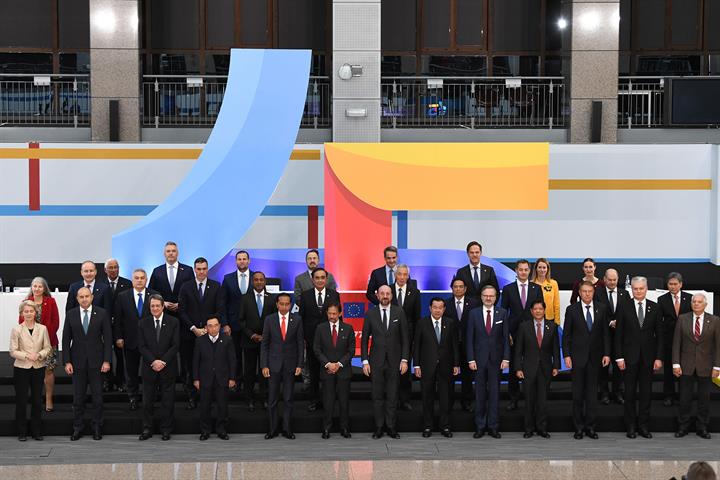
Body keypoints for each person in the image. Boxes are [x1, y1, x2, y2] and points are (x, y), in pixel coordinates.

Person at [615, 276, 663, 439]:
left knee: (646, 393)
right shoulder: (623, 306)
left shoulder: (655, 307)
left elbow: (660, 336)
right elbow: (618, 334)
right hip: (629, 358)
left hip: (648, 359)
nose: (638, 291)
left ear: (646, 288)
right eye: (635, 289)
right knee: (629, 393)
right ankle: (630, 426)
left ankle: (643, 426)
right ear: (632, 289)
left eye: (641, 288)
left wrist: (658, 357)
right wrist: (619, 357)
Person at [62, 287, 112, 441]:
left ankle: (97, 428)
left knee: (97, 398)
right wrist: (67, 361)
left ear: (92, 297)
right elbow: (65, 339)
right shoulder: (71, 314)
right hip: (77, 363)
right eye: (81, 297)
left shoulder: (102, 313)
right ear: (77, 299)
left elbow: (108, 338)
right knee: (78, 398)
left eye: (87, 296)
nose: (84, 299)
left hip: (97, 363)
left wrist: (107, 360)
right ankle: (77, 428)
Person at [562, 281, 611, 439]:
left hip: (596, 358)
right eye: (584, 291)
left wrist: (607, 354)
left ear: (593, 292)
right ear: (580, 292)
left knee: (591, 395)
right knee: (577, 395)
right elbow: (567, 335)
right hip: (577, 358)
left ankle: (590, 427)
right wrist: (567, 356)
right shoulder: (572, 310)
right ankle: (578, 428)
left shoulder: (602, 308)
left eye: (590, 291)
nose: (587, 294)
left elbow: (605, 334)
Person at [361, 285, 409, 439]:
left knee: (393, 396)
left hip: (395, 362)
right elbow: (363, 341)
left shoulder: (399, 312)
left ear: (392, 295)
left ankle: (391, 427)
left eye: (388, 293)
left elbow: (405, 339)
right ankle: (379, 427)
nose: (385, 296)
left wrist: (404, 360)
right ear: (377, 295)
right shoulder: (370, 313)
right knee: (377, 396)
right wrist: (364, 361)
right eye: (382, 293)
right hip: (376, 362)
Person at [178, 257, 226, 410]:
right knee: (189, 365)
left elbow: (220, 309)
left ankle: (209, 397)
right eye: (198, 269)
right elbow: (182, 310)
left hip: (210, 334)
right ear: (194, 270)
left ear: (207, 269)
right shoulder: (185, 287)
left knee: (209, 365)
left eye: (204, 269)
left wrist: (207, 329)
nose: (201, 271)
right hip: (189, 334)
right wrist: (194, 328)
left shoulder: (216, 286)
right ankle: (191, 396)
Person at [672, 293, 720, 439]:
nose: (696, 304)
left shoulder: (715, 320)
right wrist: (675, 363)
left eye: (699, 302)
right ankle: (683, 426)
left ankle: (702, 427)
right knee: (684, 398)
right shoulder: (682, 319)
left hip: (706, 366)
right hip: (686, 365)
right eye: (694, 301)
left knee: (704, 400)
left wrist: (717, 367)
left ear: (705, 304)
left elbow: (718, 346)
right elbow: (676, 343)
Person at [467, 285, 510, 439]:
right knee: (479, 394)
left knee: (494, 394)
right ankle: (479, 426)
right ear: (481, 296)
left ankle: (493, 426)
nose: (488, 298)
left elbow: (505, 338)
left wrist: (506, 358)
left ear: (496, 297)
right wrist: (470, 358)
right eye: (486, 295)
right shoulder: (473, 314)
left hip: (496, 361)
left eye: (491, 296)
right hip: (478, 361)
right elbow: (469, 338)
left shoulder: (503, 313)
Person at [413, 298, 460, 438]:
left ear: (444, 309)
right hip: (427, 366)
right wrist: (416, 365)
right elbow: (417, 346)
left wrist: (456, 364)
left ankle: (445, 427)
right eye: (435, 307)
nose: (437, 310)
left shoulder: (450, 323)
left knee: (445, 398)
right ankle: (428, 427)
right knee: (427, 397)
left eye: (440, 307)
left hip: (446, 366)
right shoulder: (422, 323)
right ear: (430, 308)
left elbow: (455, 346)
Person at [500, 259, 543, 411]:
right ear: (516, 271)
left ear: (529, 271)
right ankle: (513, 399)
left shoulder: (536, 288)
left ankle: (531, 400)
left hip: (532, 333)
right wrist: (507, 334)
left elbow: (540, 312)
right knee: (514, 368)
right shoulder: (508, 289)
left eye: (526, 270)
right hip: (514, 333)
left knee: (531, 366)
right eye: (521, 269)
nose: (523, 272)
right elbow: (503, 313)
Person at [514, 299, 560, 439]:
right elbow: (518, 350)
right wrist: (518, 368)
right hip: (528, 369)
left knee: (542, 401)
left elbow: (555, 349)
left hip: (545, 369)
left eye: (541, 309)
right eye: (535, 309)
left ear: (544, 310)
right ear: (531, 311)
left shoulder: (552, 326)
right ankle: (528, 429)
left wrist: (556, 366)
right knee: (529, 400)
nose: (538, 311)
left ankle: (541, 428)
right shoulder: (523, 327)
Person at [261, 293, 304, 439]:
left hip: (290, 365)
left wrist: (299, 364)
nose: (284, 307)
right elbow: (265, 344)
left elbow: (300, 343)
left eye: (287, 304)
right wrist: (264, 365)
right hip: (273, 365)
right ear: (277, 304)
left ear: (290, 305)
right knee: (272, 399)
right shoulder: (269, 320)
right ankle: (272, 429)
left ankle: (287, 429)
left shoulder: (297, 320)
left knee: (288, 398)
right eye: (282, 304)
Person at [298, 267, 341, 412]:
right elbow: (302, 319)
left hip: (330, 342)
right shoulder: (305, 296)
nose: (320, 280)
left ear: (326, 279)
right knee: (314, 372)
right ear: (312, 279)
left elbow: (338, 318)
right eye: (317, 278)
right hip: (312, 341)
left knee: (329, 373)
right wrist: (303, 338)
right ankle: (314, 400)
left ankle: (329, 400)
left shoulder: (334, 294)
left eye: (323, 277)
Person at [137, 294, 180, 441]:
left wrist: (162, 362)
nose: (155, 308)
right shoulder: (143, 323)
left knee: (167, 401)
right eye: (152, 306)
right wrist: (154, 361)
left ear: (163, 307)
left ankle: (166, 430)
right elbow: (141, 346)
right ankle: (147, 429)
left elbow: (175, 346)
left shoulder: (173, 322)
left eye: (157, 306)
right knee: (147, 401)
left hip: (168, 368)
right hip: (149, 368)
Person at [113, 268, 156, 410]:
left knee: (149, 371)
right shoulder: (122, 296)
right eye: (136, 278)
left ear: (146, 279)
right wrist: (118, 337)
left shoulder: (154, 296)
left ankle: (149, 398)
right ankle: (133, 397)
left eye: (142, 278)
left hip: (150, 342)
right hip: (130, 340)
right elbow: (118, 319)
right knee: (131, 371)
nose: (139, 280)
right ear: (132, 280)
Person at [11, 300, 52, 441]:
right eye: (26, 311)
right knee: (21, 400)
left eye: (31, 311)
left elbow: (48, 347)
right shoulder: (17, 329)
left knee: (36, 400)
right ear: (22, 313)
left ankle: (36, 431)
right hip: (21, 368)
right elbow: (12, 351)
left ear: (36, 313)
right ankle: (22, 432)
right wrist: (27, 355)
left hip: (38, 367)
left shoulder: (43, 328)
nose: (28, 314)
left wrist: (39, 355)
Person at [313, 301, 355, 439]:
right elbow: (317, 349)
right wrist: (328, 364)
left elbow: (351, 351)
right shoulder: (320, 328)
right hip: (327, 371)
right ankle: (326, 428)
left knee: (344, 402)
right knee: (328, 402)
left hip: (343, 371)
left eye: (334, 313)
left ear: (340, 313)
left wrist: (339, 364)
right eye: (329, 313)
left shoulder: (348, 328)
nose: (332, 316)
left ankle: (344, 428)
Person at [18, 277, 59, 412]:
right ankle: (36, 399)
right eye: (34, 286)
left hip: (49, 342)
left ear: (44, 288)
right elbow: (21, 323)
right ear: (31, 287)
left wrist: (45, 340)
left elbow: (55, 322)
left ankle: (48, 398)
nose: (37, 289)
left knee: (48, 370)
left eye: (40, 286)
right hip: (30, 345)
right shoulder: (26, 302)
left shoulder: (51, 301)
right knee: (34, 372)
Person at [238, 271, 277, 411]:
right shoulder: (244, 298)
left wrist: (265, 336)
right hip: (249, 341)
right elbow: (241, 320)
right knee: (248, 372)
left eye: (261, 279)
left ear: (265, 281)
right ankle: (249, 399)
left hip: (267, 343)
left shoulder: (273, 299)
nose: (259, 282)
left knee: (265, 372)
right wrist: (252, 335)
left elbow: (274, 321)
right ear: (252, 282)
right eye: (256, 280)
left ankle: (265, 398)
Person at [193, 317, 236, 440]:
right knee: (205, 406)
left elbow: (232, 361)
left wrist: (232, 378)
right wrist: (196, 379)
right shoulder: (200, 341)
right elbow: (196, 361)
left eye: (215, 325)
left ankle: (221, 430)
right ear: (206, 328)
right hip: (205, 378)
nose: (213, 328)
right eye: (210, 326)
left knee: (222, 406)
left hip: (222, 378)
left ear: (219, 326)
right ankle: (205, 431)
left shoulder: (227, 340)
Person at [594, 268, 629, 405]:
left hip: (620, 337)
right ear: (604, 279)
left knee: (619, 367)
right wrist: (609, 322)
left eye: (615, 280)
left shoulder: (624, 293)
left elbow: (627, 313)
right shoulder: (597, 293)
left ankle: (618, 393)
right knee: (603, 367)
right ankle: (604, 393)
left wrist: (618, 322)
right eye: (610, 280)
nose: (613, 282)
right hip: (602, 336)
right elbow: (596, 311)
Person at [444, 277, 479, 412]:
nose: (458, 289)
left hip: (468, 345)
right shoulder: (445, 304)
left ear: (465, 289)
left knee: (467, 376)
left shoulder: (474, 303)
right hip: (450, 346)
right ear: (452, 289)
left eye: (460, 286)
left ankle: (467, 402)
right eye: (455, 287)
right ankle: (449, 403)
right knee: (449, 376)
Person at [658, 272, 692, 407]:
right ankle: (668, 396)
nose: (672, 287)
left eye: (675, 284)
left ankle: (682, 396)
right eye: (670, 284)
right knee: (668, 369)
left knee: (684, 369)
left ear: (681, 284)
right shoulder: (662, 299)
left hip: (686, 340)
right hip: (669, 339)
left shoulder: (689, 298)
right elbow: (660, 321)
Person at [391, 264, 421, 411]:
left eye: (405, 275)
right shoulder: (387, 290)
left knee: (405, 369)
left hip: (408, 337)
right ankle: (393, 399)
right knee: (392, 369)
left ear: (408, 276)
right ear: (395, 275)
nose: (402, 277)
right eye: (400, 274)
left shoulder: (415, 292)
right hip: (390, 336)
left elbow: (416, 318)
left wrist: (415, 337)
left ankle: (405, 399)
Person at [221, 250, 252, 376]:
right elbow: (222, 303)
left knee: (251, 358)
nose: (242, 261)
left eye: (244, 259)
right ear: (235, 261)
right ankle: (236, 383)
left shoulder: (257, 277)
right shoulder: (228, 279)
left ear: (249, 261)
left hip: (251, 325)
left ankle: (249, 385)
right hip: (233, 325)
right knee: (235, 356)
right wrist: (225, 324)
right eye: (239, 259)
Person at [104, 258, 132, 392]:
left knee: (121, 355)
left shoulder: (127, 283)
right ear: (105, 270)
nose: (113, 270)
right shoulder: (100, 285)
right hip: (104, 326)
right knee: (105, 354)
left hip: (122, 326)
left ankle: (121, 381)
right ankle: (107, 381)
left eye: (116, 267)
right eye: (111, 267)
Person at [531, 258, 560, 326]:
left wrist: (557, 322)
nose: (542, 270)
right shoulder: (531, 284)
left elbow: (556, 304)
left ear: (547, 269)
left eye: (544, 267)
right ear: (536, 269)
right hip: (534, 319)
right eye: (540, 267)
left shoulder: (553, 283)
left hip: (550, 318)